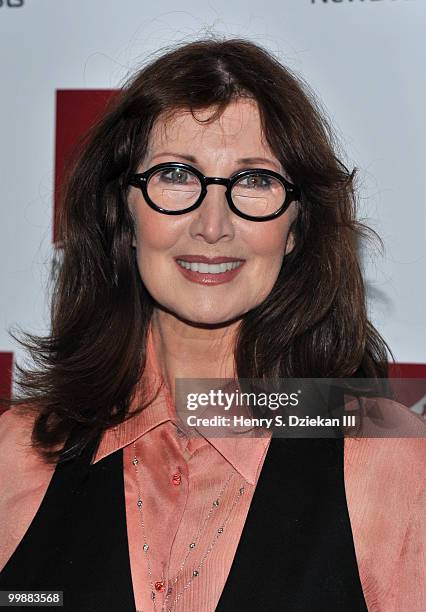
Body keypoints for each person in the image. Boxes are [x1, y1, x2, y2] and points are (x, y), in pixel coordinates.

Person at [0, 37, 425, 612]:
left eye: (254, 181)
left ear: (296, 227)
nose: (213, 225)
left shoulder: (384, 451)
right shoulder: (18, 453)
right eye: (176, 174)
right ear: (121, 212)